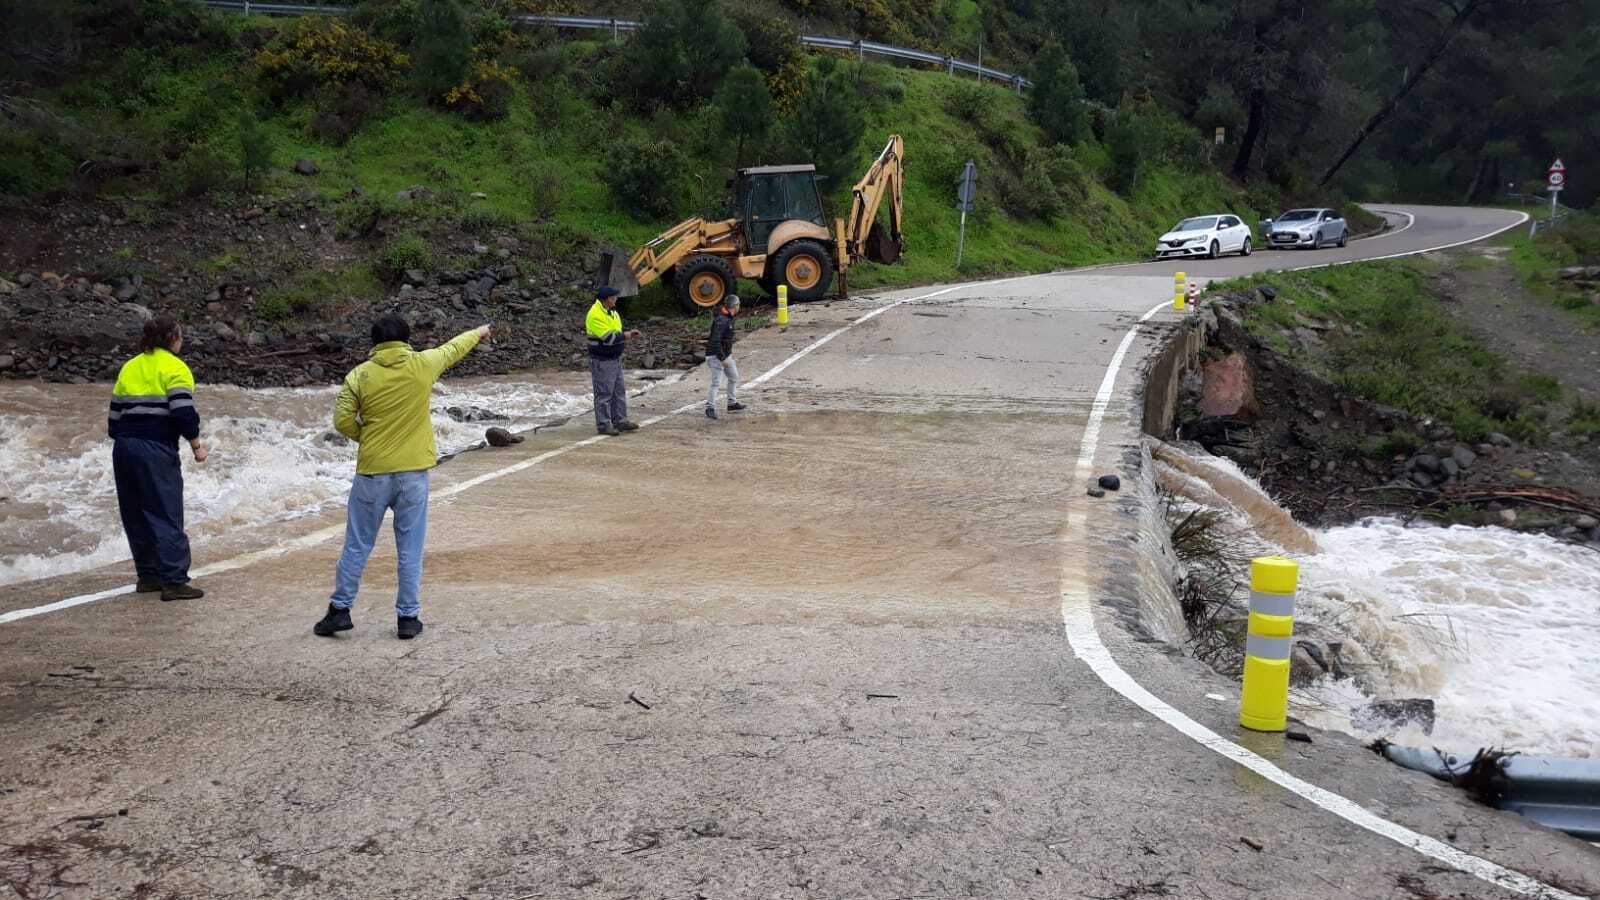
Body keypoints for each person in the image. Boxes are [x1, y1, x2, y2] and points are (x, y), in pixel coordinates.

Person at [313, 316, 490, 641]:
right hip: (412, 475)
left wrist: (366, 437)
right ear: (407, 339)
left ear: (375, 342)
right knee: (410, 548)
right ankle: (408, 618)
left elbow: (341, 421)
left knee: (357, 544)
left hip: (372, 474)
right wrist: (478, 333)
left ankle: (340, 611)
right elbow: (453, 348)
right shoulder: (423, 364)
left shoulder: (359, 375)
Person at [109, 316, 208, 602]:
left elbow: (114, 413)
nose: (182, 340)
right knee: (165, 512)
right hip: (155, 446)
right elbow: (182, 413)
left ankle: (148, 576)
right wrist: (196, 445)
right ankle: (174, 582)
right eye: (180, 335)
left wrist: (123, 439)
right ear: (171, 338)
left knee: (135, 512)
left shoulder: (130, 366)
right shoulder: (176, 368)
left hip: (125, 446)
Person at [586, 285, 641, 436]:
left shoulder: (612, 312)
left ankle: (620, 421)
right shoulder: (595, 314)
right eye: (613, 297)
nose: (616, 299)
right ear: (606, 300)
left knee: (618, 391)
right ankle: (604, 425)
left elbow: (618, 330)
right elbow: (609, 338)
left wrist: (626, 333)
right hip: (602, 360)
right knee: (604, 393)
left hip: (614, 358)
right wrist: (628, 335)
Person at [704, 294, 747, 420]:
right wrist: (722, 358)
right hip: (715, 355)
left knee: (734, 377)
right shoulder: (721, 320)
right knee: (716, 382)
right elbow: (715, 341)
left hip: (724, 355)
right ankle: (710, 407)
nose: (739, 307)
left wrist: (726, 356)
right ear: (735, 306)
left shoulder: (728, 317)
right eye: (738, 305)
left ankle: (732, 403)